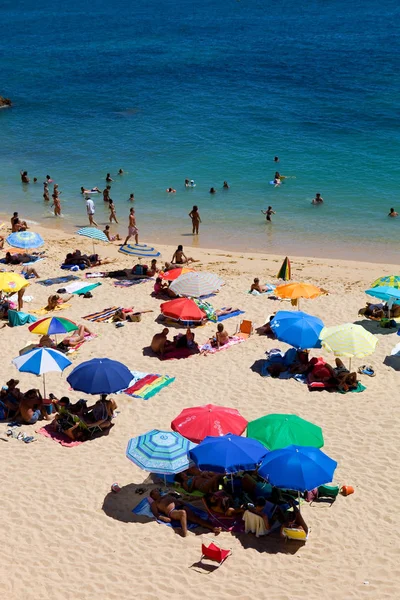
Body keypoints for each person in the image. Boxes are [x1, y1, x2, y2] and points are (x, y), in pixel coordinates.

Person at [149, 489, 221, 537]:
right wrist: (163, 518)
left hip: (180, 506)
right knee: (182, 513)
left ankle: (213, 528)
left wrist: (186, 505)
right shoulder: (155, 503)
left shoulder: (166, 495)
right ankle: (184, 533)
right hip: (172, 511)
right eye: (155, 491)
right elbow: (156, 514)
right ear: (152, 495)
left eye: (157, 490)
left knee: (196, 518)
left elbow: (177, 500)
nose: (157, 491)